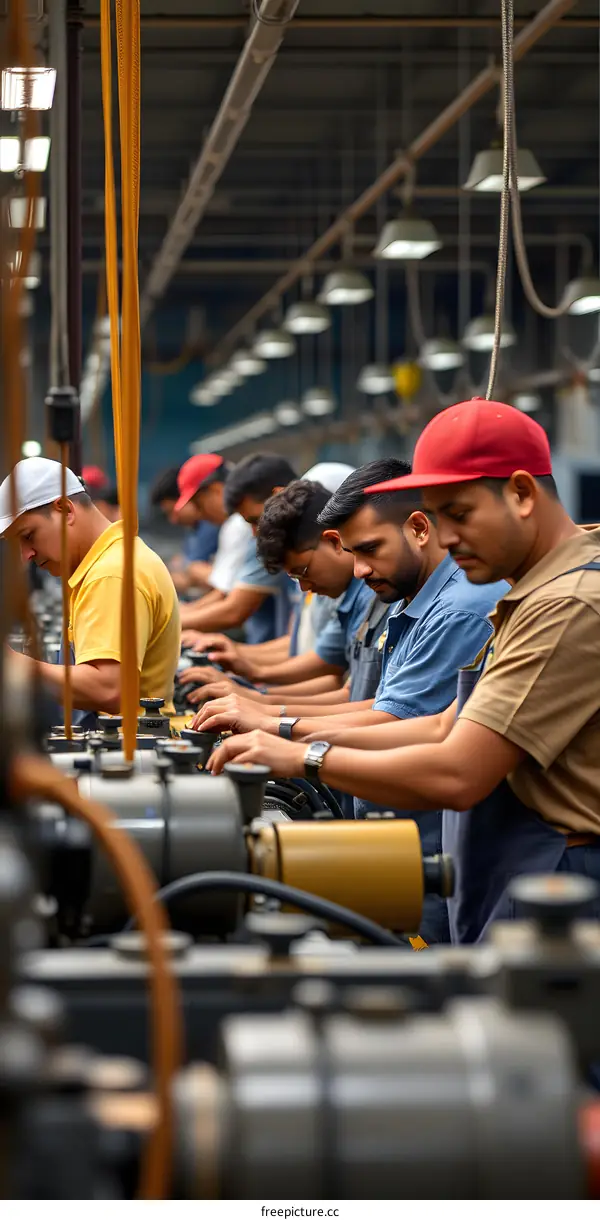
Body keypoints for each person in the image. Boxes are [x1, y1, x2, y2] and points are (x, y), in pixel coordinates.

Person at [206, 398, 600, 944]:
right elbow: (443, 725)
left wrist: (302, 755)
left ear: (522, 493)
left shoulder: (565, 604)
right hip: (517, 861)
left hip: (557, 880)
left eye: (458, 515)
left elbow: (459, 772)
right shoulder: (529, 596)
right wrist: (281, 729)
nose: (445, 537)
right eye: (438, 518)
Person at [196, 457, 507, 943]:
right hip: (401, 840)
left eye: (369, 549)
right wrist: (267, 716)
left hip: (425, 849)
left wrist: (287, 737)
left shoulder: (459, 611)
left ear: (420, 528)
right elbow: (405, 714)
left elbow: (411, 729)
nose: (360, 569)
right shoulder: (413, 602)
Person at [1, 457, 180, 717]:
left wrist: (14, 663)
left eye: (28, 536)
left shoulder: (111, 573)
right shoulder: (111, 560)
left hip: (127, 748)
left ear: (65, 509)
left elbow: (109, 690)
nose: (25, 555)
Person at [172, 454, 278, 643]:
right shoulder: (237, 525)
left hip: (272, 646)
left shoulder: (242, 527)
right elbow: (224, 592)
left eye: (199, 504)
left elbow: (233, 609)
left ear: (216, 490)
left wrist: (164, 623)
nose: (201, 514)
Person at [149, 465, 219, 593]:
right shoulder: (194, 528)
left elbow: (196, 575)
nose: (173, 520)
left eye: (172, 512)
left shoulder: (211, 524)